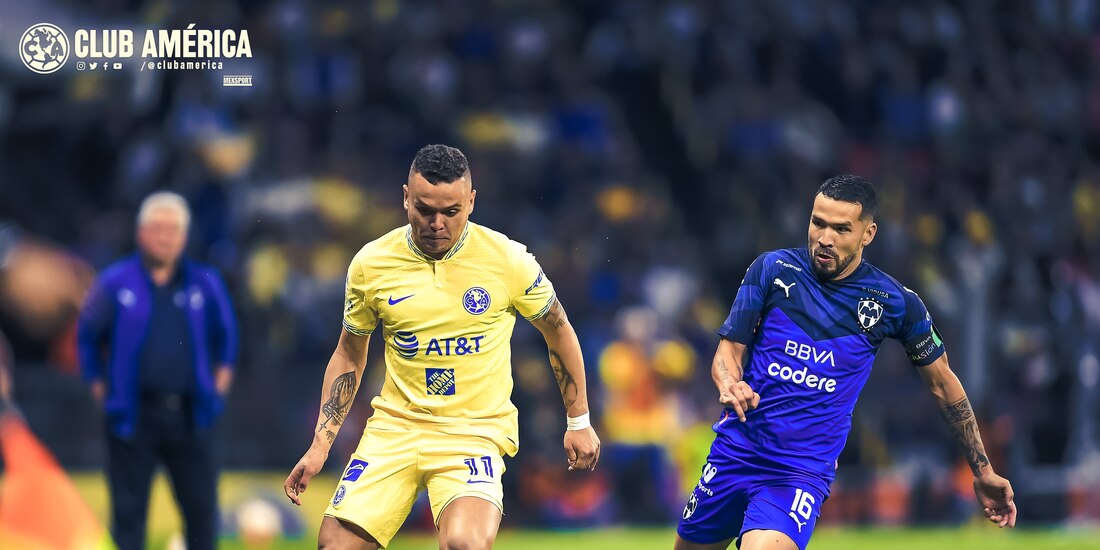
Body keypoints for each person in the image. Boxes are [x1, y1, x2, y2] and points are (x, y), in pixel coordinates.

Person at [283, 144, 601, 549]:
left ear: (471, 201)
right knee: (334, 546)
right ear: (405, 197)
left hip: (472, 432)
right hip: (394, 428)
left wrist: (579, 420)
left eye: (451, 212)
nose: (437, 223)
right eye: (424, 209)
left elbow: (558, 330)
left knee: (464, 545)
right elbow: (349, 352)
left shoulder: (507, 259)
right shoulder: (371, 263)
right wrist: (319, 446)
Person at [675, 175, 1017, 550]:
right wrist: (729, 383)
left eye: (841, 228)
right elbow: (729, 350)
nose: (825, 238)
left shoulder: (895, 303)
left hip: (799, 472)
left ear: (868, 234)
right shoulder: (772, 270)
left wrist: (983, 470)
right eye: (818, 222)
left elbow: (942, 383)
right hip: (735, 452)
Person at [77, 191, 238, 550]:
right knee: (129, 515)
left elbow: (227, 339)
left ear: (184, 235)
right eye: (158, 228)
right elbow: (87, 337)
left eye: (173, 229)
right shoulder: (115, 282)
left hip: (192, 415)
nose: (165, 237)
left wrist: (219, 387)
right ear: (141, 233)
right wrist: (99, 388)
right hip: (133, 417)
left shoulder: (205, 282)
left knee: (201, 512)